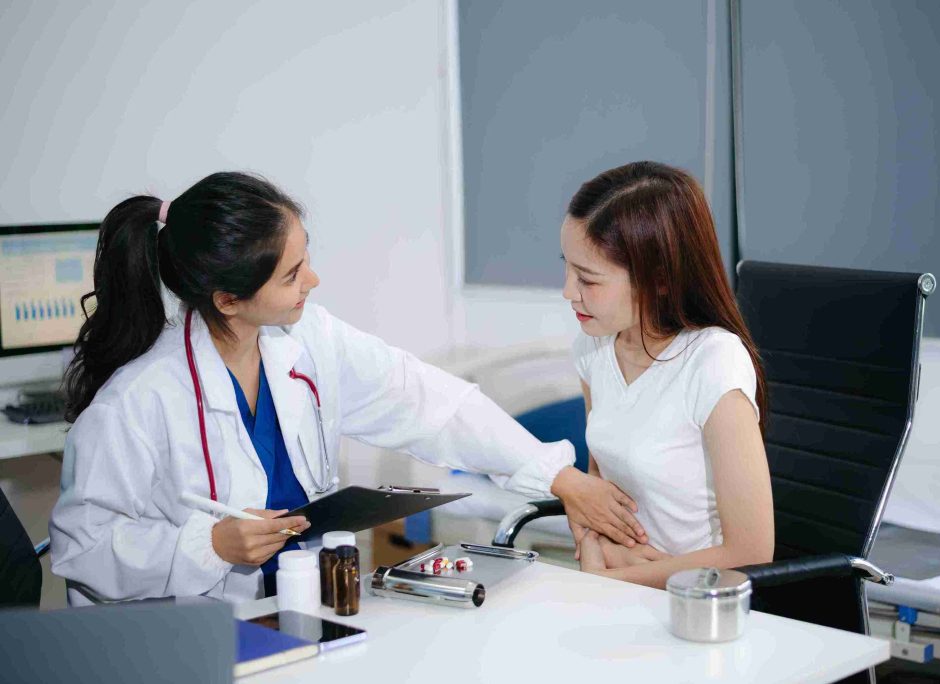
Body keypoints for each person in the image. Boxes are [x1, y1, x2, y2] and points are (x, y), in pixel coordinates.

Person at [50, 171, 646, 605]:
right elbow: (82, 551)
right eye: (291, 274)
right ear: (228, 300)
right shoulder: (135, 402)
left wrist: (558, 477)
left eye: (305, 257)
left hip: (303, 611)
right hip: (192, 640)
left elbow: (431, 404)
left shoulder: (307, 340)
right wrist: (210, 545)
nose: (314, 279)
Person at [560, 161, 774, 589]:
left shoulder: (713, 361)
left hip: (693, 603)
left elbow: (751, 552)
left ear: (658, 280)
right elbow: (598, 492)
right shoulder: (594, 347)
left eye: (587, 278)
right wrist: (593, 548)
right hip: (614, 585)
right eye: (567, 267)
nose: (568, 291)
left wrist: (616, 578)